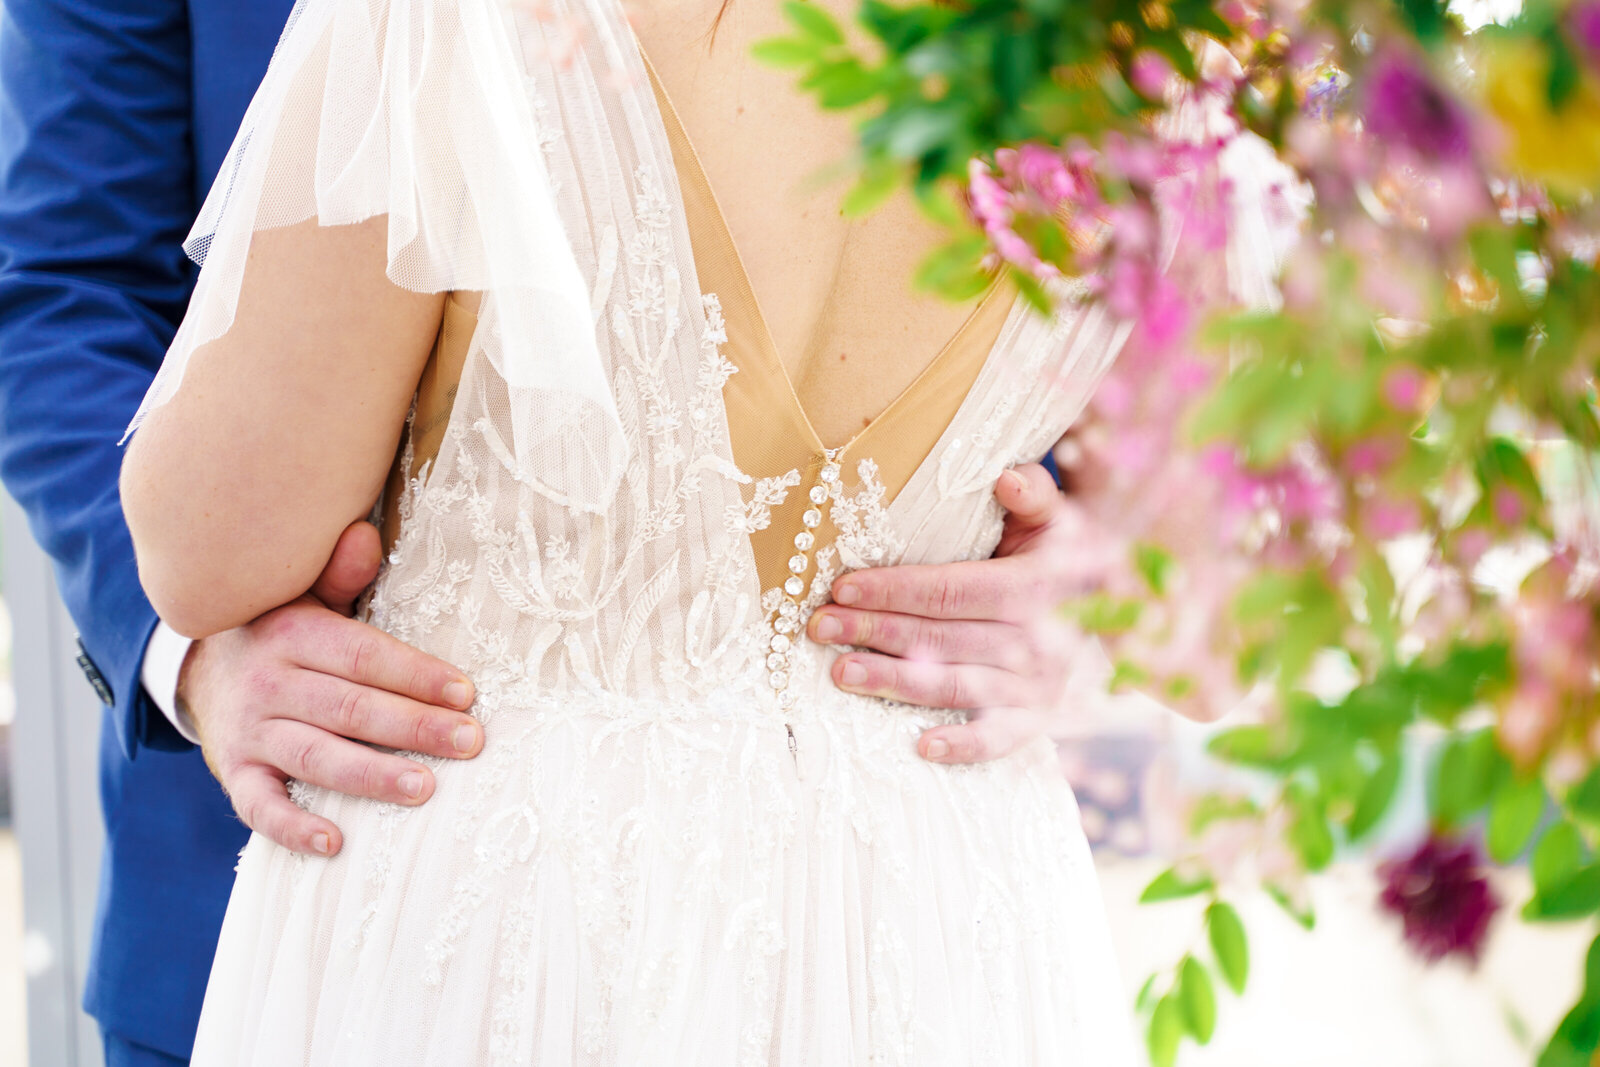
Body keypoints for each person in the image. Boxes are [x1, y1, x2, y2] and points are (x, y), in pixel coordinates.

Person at [0, 0, 1101, 1063]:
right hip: (927, 918)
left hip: (482, 898)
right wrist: (193, 655)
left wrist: (1101, 575)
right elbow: (60, 288)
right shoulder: (1150, 43)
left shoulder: (422, 24)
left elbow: (206, 541)